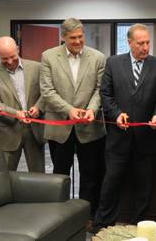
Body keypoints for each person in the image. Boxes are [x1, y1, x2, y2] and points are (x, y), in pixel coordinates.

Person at [92, 23, 156, 231]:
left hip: (147, 138)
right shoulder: (113, 63)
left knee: (144, 186)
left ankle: (139, 226)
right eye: (140, 43)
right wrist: (117, 114)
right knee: (111, 182)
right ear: (129, 42)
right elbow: (105, 95)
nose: (145, 47)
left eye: (148, 42)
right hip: (118, 138)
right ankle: (103, 225)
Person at [40, 18, 106, 219]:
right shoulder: (48, 57)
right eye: (73, 38)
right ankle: (59, 217)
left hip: (90, 128)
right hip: (60, 128)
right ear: (63, 37)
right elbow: (46, 90)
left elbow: (100, 89)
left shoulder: (98, 57)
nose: (78, 41)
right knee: (60, 175)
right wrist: (69, 110)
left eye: (80, 36)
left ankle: (86, 217)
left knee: (90, 175)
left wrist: (92, 110)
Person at [0, 36, 44, 172]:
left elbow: (45, 93)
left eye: (13, 56)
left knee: (39, 175)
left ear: (18, 49)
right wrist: (16, 114)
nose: (10, 61)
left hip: (34, 131)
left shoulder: (37, 68)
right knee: (5, 176)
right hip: (8, 132)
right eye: (4, 59)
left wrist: (38, 107)